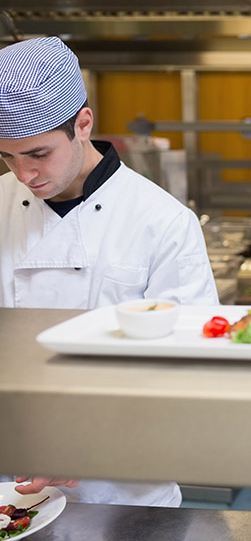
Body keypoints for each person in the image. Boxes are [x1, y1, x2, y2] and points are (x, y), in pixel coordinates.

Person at [0, 36, 219, 507]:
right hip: (11, 483)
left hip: (126, 487)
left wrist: (90, 444)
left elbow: (193, 366)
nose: (24, 175)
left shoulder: (160, 221)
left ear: (83, 123)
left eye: (38, 155)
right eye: (7, 156)